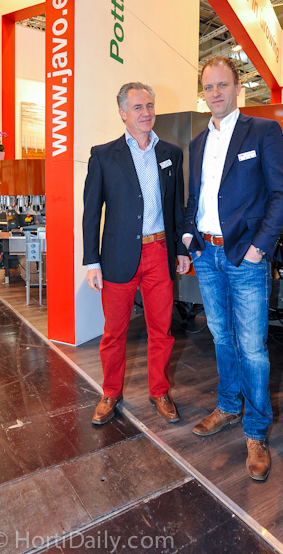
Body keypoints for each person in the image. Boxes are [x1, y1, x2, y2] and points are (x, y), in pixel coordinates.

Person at [184, 57, 283, 481]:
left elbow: (282, 195)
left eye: (222, 85)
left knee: (252, 348)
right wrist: (189, 238)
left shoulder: (262, 131)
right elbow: (196, 197)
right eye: (208, 86)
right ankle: (229, 406)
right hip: (207, 255)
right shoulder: (198, 142)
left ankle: (256, 431)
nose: (215, 93)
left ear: (237, 88)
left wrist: (258, 248)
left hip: (245, 257)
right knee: (221, 336)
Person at [83, 82, 190, 426]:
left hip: (160, 252)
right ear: (122, 113)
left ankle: (159, 391)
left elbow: (175, 206)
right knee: (114, 332)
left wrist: (181, 249)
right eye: (138, 107)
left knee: (162, 329)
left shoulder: (171, 153)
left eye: (150, 106)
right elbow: (91, 212)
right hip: (117, 256)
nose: (146, 113)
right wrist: (92, 261)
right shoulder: (103, 155)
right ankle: (110, 392)